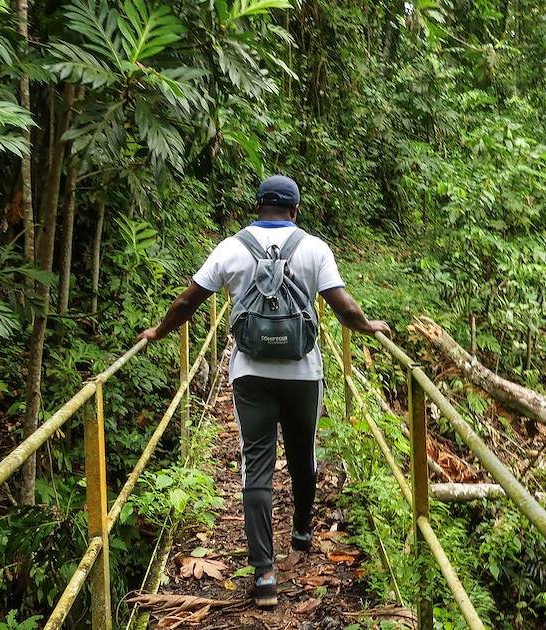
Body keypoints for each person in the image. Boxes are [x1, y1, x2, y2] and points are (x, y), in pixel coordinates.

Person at [137, 175, 390, 608]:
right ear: (294, 210)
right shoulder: (314, 248)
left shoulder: (231, 248)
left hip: (249, 374)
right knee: (302, 456)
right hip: (302, 373)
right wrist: (368, 326)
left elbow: (186, 302)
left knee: (256, 465)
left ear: (257, 207)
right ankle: (302, 531)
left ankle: (265, 574)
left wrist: (159, 331)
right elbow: (344, 307)